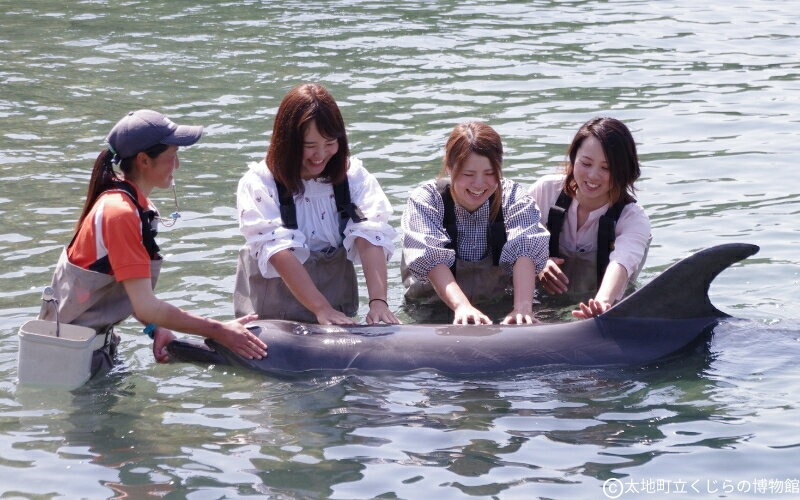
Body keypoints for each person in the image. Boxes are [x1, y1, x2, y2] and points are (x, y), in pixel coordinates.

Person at [39, 109, 267, 376]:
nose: (178, 165)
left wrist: (154, 328)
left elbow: (129, 291)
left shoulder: (135, 206)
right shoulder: (120, 213)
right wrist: (221, 331)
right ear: (144, 160)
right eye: (172, 157)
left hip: (90, 349)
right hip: (68, 361)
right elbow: (146, 305)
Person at [234, 83, 398, 325]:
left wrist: (378, 302)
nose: (320, 155)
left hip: (339, 314)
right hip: (273, 319)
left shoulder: (353, 177)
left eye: (330, 143)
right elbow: (278, 251)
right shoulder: (260, 183)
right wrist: (321, 308)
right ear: (287, 141)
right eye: (309, 146)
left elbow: (370, 235)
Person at [401, 121, 549, 325]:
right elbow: (431, 258)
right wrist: (462, 307)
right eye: (468, 174)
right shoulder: (426, 199)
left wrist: (522, 308)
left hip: (498, 304)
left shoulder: (513, 197)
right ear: (450, 167)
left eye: (490, 174)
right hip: (431, 307)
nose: (479, 185)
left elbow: (525, 249)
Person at [529, 117, 651, 319]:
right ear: (573, 158)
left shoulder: (633, 218)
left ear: (624, 171)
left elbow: (621, 263)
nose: (593, 176)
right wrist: (539, 262)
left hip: (605, 310)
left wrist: (602, 304)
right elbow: (515, 239)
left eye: (607, 168)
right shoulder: (545, 192)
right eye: (586, 163)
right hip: (544, 302)